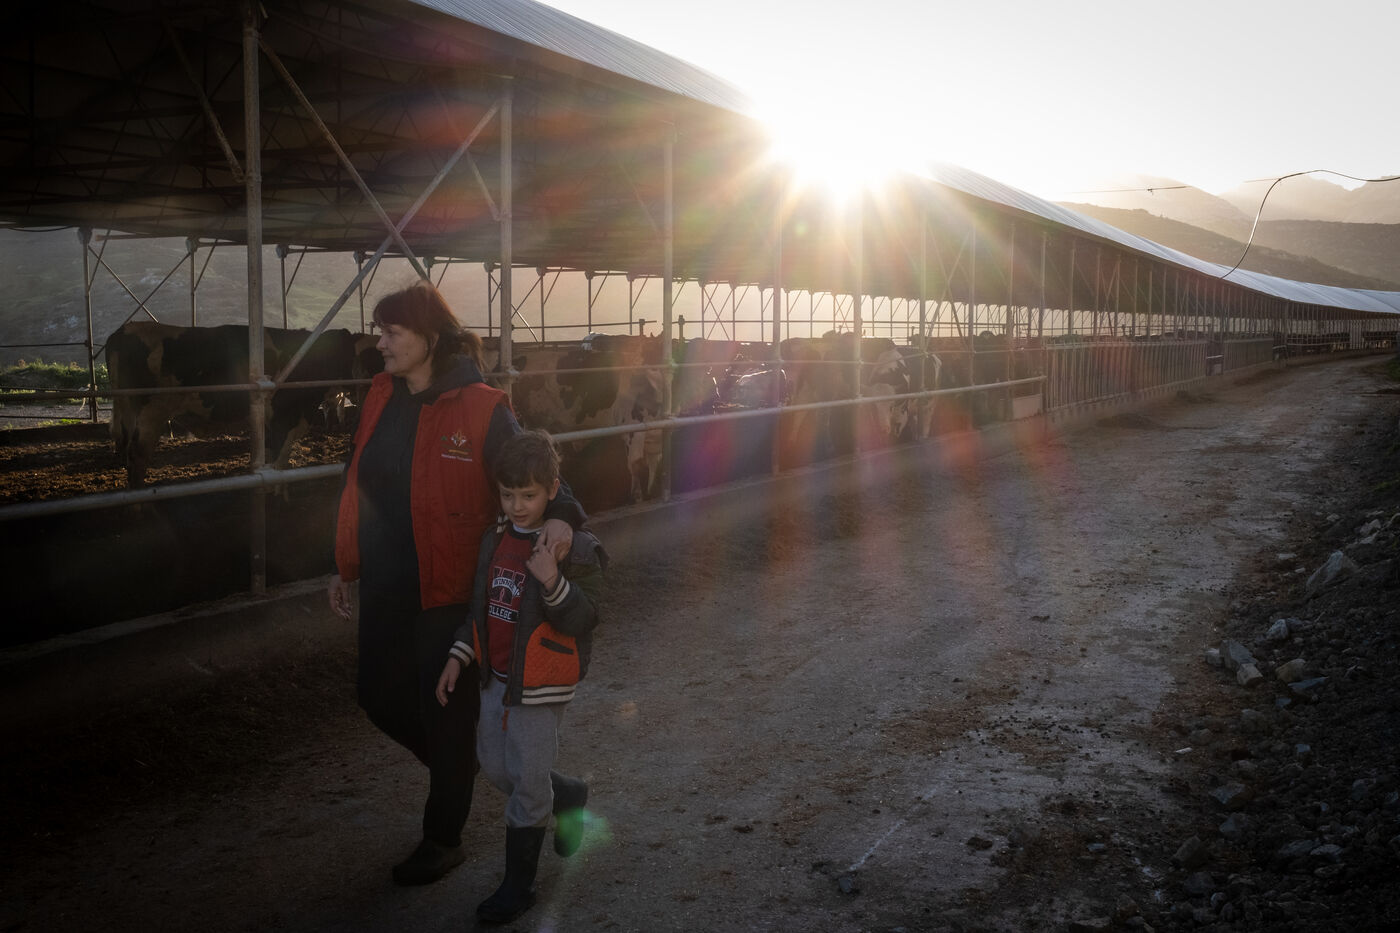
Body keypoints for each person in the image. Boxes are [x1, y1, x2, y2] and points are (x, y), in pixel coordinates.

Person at [327, 281, 586, 886]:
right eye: (381, 330)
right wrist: (342, 562)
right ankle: (527, 782)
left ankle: (443, 839)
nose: (380, 343)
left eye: (392, 332)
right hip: (387, 581)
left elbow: (529, 468)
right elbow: (355, 478)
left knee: (444, 714)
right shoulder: (381, 394)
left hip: (451, 591)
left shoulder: (480, 406)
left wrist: (563, 516)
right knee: (377, 696)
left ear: (429, 337)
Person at [435, 429, 605, 924]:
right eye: (507, 494)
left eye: (528, 495)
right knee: (496, 766)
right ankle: (566, 792)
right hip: (496, 677)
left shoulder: (574, 547)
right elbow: (482, 608)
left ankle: (518, 887)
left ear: (552, 489)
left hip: (541, 682)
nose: (516, 505)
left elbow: (586, 617)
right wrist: (459, 654)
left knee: (527, 785)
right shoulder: (494, 539)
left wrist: (552, 582)